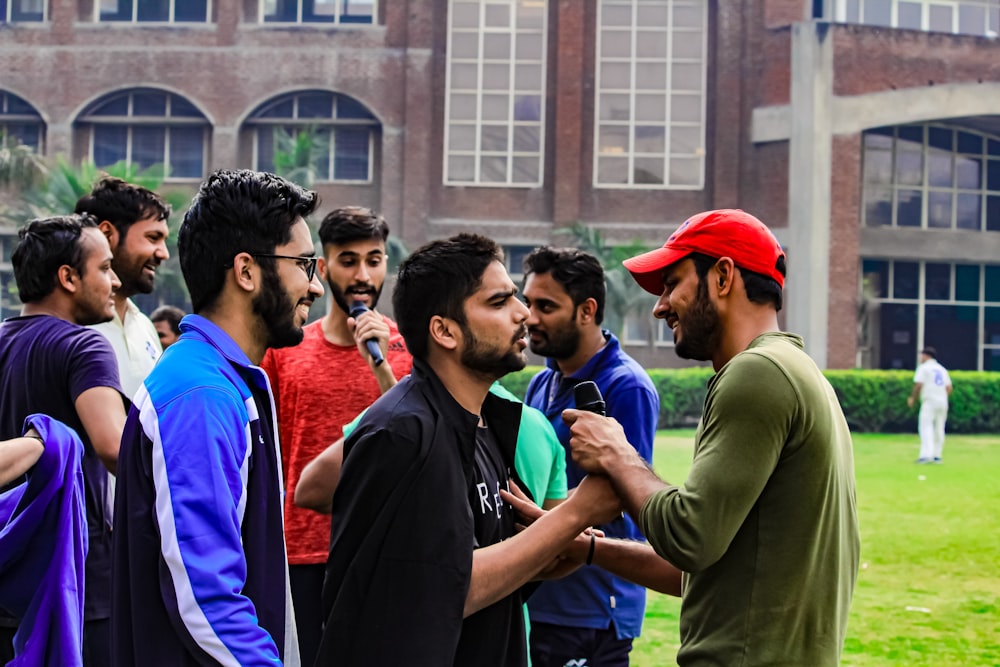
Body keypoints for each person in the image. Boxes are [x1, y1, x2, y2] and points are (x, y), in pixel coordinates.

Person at [561, 209, 860, 666]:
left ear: (723, 276)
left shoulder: (757, 373)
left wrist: (618, 454)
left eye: (672, 283)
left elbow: (689, 536)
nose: (660, 306)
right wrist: (589, 547)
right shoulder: (800, 373)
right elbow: (701, 568)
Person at [316, 234, 622, 667]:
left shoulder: (484, 422)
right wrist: (578, 511)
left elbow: (491, 569)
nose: (523, 315)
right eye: (499, 303)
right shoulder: (403, 433)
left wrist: (558, 542)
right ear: (444, 330)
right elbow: (451, 588)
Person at [111, 170, 324, 665]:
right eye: (304, 263)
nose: (313, 285)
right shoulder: (200, 393)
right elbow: (205, 598)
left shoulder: (225, 378)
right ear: (247, 271)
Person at [260, 206, 412, 664]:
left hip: (388, 552)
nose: (363, 274)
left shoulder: (409, 354)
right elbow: (268, 458)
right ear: (323, 268)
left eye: (374, 259)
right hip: (302, 555)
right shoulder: (285, 352)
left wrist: (383, 369)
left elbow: (423, 443)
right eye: (348, 260)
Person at [521, 246, 659, 667]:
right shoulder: (542, 382)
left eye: (546, 306)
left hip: (593, 607)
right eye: (527, 303)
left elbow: (626, 498)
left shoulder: (625, 386)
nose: (530, 317)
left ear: (587, 310)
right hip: (539, 594)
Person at [0, 214, 128, 665]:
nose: (114, 280)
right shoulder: (85, 347)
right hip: (76, 580)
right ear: (68, 277)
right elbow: (115, 447)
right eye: (105, 268)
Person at [75, 176, 171, 400]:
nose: (163, 254)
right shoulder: (70, 325)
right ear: (107, 234)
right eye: (153, 238)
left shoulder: (145, 326)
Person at [908, 346, 952, 464]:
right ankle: (937, 455)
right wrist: (941, 396)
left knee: (926, 427)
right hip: (942, 401)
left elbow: (918, 385)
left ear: (926, 356)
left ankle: (926, 455)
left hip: (929, 401)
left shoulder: (924, 368)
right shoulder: (942, 369)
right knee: (939, 428)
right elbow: (948, 387)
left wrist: (913, 398)